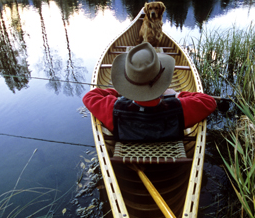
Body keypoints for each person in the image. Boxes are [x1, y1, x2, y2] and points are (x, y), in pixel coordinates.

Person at [82, 42, 216, 143]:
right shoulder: (181, 107)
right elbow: (209, 102)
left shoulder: (113, 108)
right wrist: (177, 95)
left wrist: (118, 92)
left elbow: (89, 97)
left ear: (129, 85)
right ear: (162, 83)